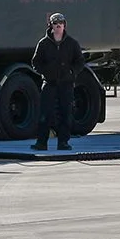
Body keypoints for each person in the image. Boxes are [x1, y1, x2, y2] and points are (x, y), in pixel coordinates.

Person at [30, 12, 82, 151]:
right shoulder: (44, 43)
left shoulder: (72, 43)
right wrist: (45, 72)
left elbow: (80, 61)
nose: (58, 27)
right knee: (45, 114)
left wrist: (72, 72)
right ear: (51, 26)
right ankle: (41, 143)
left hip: (66, 84)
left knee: (66, 113)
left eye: (60, 24)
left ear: (64, 25)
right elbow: (35, 62)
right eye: (55, 24)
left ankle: (63, 142)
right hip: (49, 83)